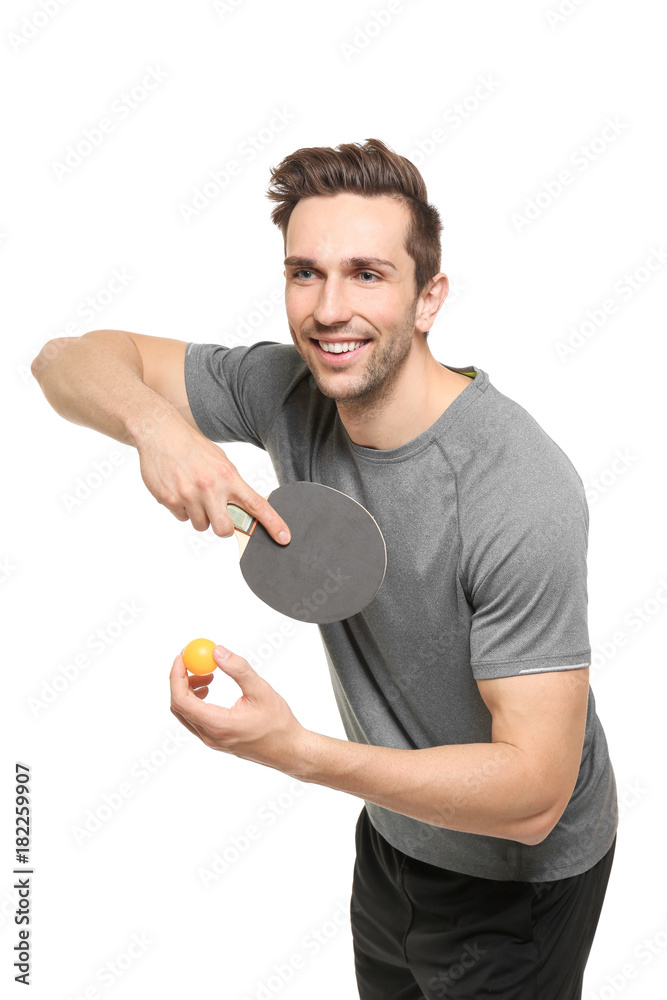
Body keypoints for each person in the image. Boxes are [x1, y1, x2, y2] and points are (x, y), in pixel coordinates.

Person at [32, 137, 618, 999]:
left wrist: (296, 751)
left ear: (428, 298)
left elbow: (532, 791)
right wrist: (162, 431)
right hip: (394, 833)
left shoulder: (515, 488)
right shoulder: (285, 393)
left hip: (515, 885)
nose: (329, 309)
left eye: (368, 274)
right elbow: (65, 358)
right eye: (304, 273)